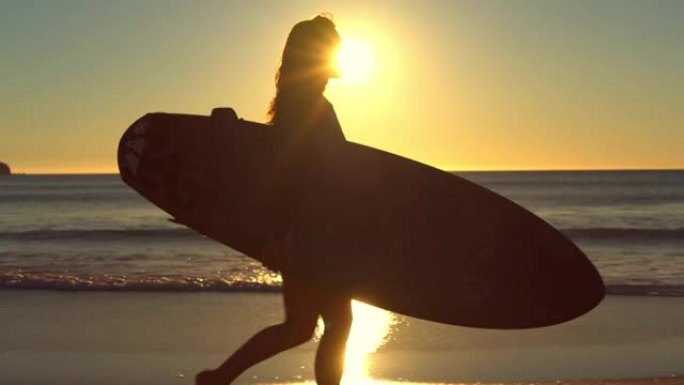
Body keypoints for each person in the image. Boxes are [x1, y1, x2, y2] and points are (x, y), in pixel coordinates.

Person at [196, 15, 352, 385]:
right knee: (334, 322)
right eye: (331, 49)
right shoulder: (305, 105)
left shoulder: (304, 101)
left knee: (301, 327)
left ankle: (218, 378)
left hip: (309, 229)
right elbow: (288, 171)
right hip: (310, 231)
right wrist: (283, 234)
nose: (336, 57)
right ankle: (218, 378)